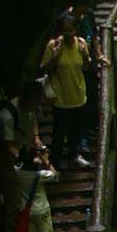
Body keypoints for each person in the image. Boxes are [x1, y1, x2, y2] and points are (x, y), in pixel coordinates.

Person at [40, 14, 91, 169]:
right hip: (61, 97)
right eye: (65, 31)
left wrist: (87, 56)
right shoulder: (53, 45)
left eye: (72, 30)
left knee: (76, 130)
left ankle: (74, 156)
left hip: (78, 94)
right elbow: (45, 69)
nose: (69, 34)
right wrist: (55, 56)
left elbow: (86, 68)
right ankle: (55, 162)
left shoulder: (81, 44)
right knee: (59, 134)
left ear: (76, 30)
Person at [12, 144, 59, 232]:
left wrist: (32, 156)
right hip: (41, 208)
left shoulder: (18, 171)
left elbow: (18, 160)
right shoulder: (41, 174)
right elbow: (55, 175)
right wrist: (46, 160)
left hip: (27, 209)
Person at [67, 0, 103, 153]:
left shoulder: (89, 15)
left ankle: (91, 130)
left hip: (90, 65)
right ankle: (80, 140)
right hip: (75, 69)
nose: (85, 10)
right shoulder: (67, 20)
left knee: (92, 97)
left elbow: (95, 35)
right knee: (80, 103)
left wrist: (99, 54)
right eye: (83, 7)